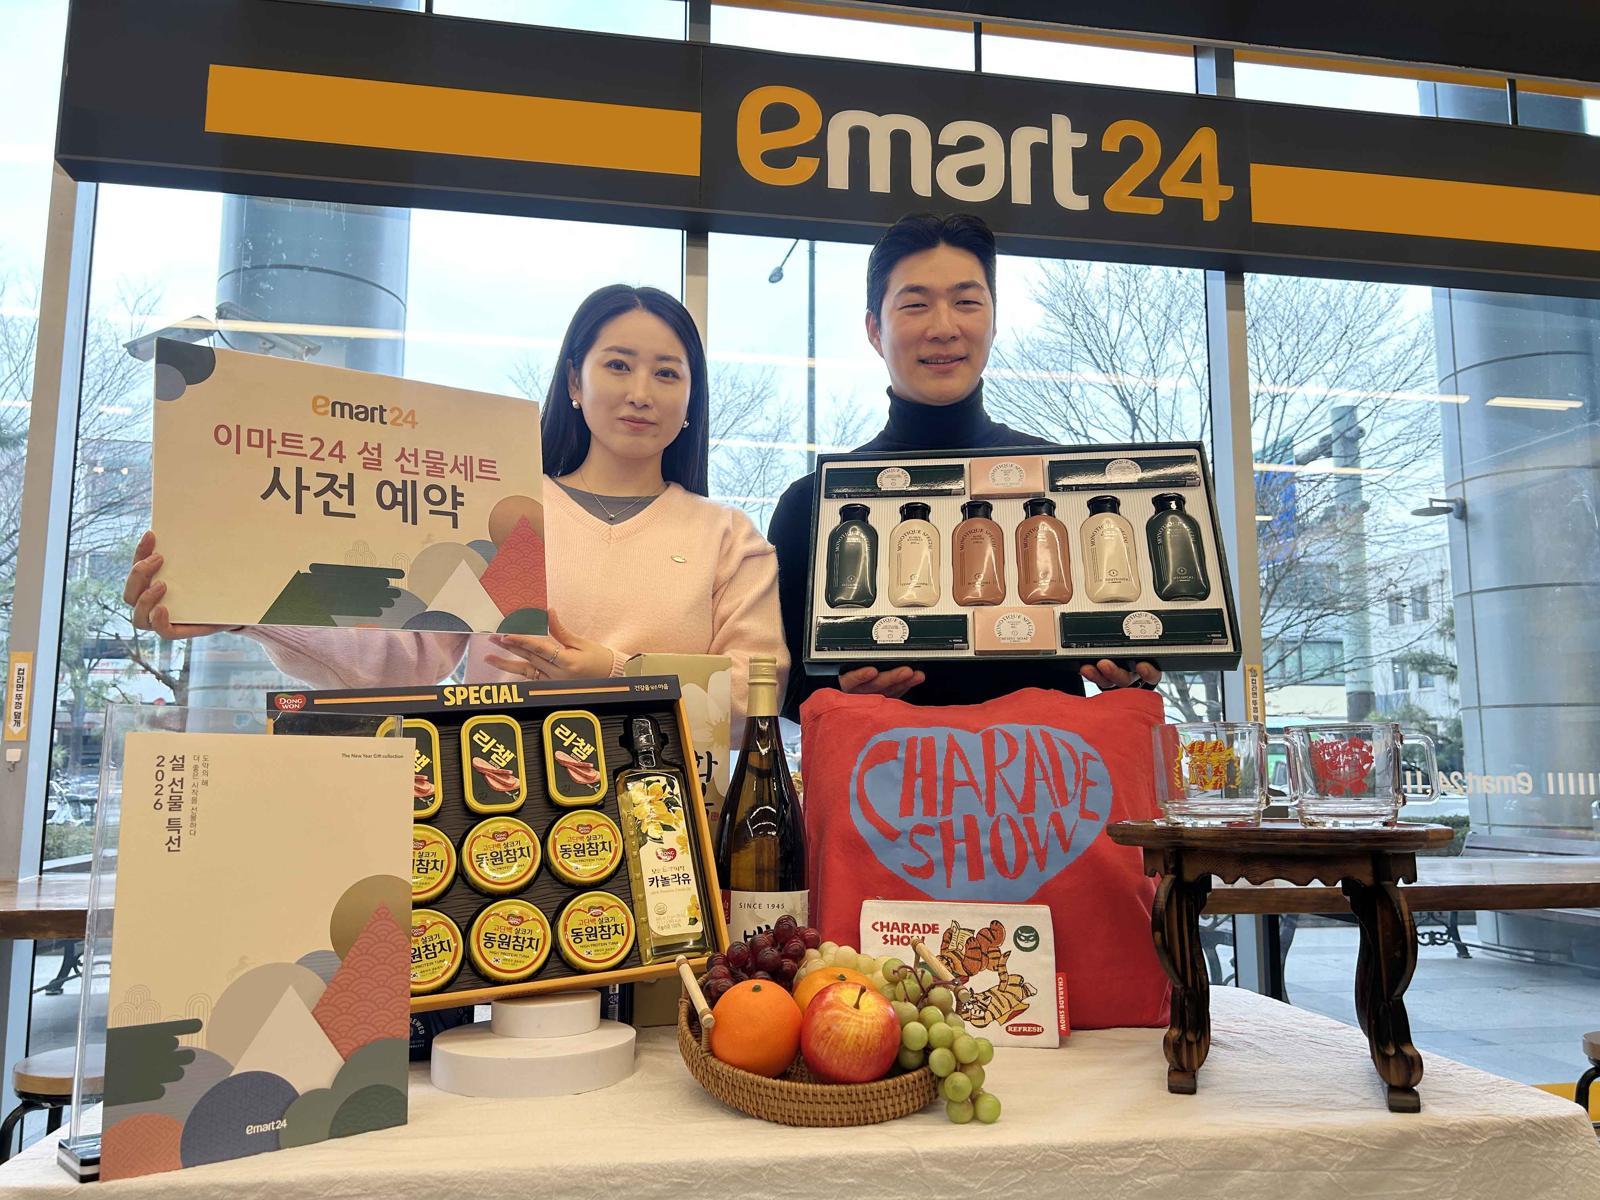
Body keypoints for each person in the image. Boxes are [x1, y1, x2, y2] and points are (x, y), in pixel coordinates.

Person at [123, 284, 788, 721]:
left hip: (677, 841)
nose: (641, 391)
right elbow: (401, 659)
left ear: (691, 398)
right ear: (574, 382)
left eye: (667, 373)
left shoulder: (727, 538)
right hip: (507, 820)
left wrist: (614, 673)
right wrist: (241, 606)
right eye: (618, 364)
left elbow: (758, 692)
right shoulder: (507, 513)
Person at [766, 213, 1159, 718]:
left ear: (993, 320)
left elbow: (1127, 637)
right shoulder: (812, 504)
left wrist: (1133, 671)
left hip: (1046, 767)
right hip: (879, 768)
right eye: (915, 304)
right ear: (874, 329)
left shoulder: (1067, 488)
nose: (943, 328)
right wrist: (837, 694)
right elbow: (777, 687)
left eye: (966, 302)